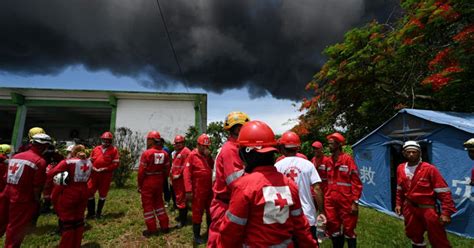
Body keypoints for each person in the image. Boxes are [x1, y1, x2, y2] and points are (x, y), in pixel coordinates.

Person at [219, 120, 317, 247]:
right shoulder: (289, 185)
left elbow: (231, 231)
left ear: (246, 154)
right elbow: (302, 228)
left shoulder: (244, 187)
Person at [395, 141, 456, 248]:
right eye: (408, 152)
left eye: (414, 152)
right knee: (413, 234)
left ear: (419, 153)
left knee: (437, 237)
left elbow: (443, 192)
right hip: (409, 207)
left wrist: (446, 212)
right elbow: (400, 188)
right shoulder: (400, 168)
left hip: (428, 209)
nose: (411, 154)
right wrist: (398, 204)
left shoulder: (429, 169)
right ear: (404, 153)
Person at [0, 133, 51, 247]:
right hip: (23, 199)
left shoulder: (16, 156)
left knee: (1, 221)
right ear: (45, 146)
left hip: (6, 193)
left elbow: (5, 177)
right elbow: (37, 186)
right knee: (16, 228)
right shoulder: (39, 161)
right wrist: (37, 200)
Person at [207, 111, 250, 247]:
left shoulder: (238, 149)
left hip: (230, 204)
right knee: (222, 241)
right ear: (238, 129)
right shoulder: (231, 150)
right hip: (225, 206)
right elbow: (236, 184)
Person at [275, 131, 326, 242]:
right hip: (307, 216)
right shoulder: (308, 164)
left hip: (284, 217)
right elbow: (317, 189)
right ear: (298, 147)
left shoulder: (277, 166)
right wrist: (321, 211)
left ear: (283, 147)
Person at [47, 145, 92, 248]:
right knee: (79, 221)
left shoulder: (68, 162)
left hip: (70, 193)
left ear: (73, 152)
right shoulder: (89, 162)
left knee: (68, 223)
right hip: (84, 192)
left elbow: (51, 174)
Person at [325, 132, 363, 248]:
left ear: (338, 145)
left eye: (331, 144)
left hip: (346, 201)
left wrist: (355, 202)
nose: (329, 146)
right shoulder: (328, 161)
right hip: (331, 201)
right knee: (334, 228)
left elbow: (356, 182)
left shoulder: (347, 160)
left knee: (349, 230)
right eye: (329, 144)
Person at [138, 131, 170, 237]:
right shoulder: (165, 153)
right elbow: (167, 170)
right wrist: (162, 179)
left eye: (148, 139)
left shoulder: (146, 153)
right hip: (159, 181)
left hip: (148, 181)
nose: (147, 142)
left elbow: (141, 172)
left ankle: (152, 229)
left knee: (148, 206)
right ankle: (165, 226)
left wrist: (140, 184)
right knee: (159, 204)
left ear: (151, 140)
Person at [184, 133, 214, 244]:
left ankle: (210, 233)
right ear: (198, 145)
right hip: (198, 191)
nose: (205, 148)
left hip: (209, 190)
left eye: (207, 146)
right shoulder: (192, 156)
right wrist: (188, 190)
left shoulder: (207, 156)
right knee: (197, 213)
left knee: (210, 212)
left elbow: (213, 166)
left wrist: (210, 156)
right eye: (203, 146)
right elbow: (186, 174)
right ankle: (196, 236)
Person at [87, 131, 120, 219]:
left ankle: (98, 213)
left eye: (108, 140)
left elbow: (116, 163)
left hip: (105, 176)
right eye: (104, 140)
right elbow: (90, 160)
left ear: (110, 141)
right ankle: (91, 213)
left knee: (102, 194)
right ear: (101, 139)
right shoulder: (96, 149)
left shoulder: (114, 150)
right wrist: (92, 167)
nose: (106, 141)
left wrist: (105, 169)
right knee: (89, 191)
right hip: (94, 175)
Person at [170, 135, 191, 228]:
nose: (178, 145)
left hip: (181, 180)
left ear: (183, 143)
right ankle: (182, 216)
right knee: (178, 199)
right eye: (176, 143)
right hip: (175, 180)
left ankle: (183, 221)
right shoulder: (177, 152)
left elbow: (186, 165)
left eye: (179, 143)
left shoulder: (186, 151)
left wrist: (179, 174)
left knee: (181, 199)